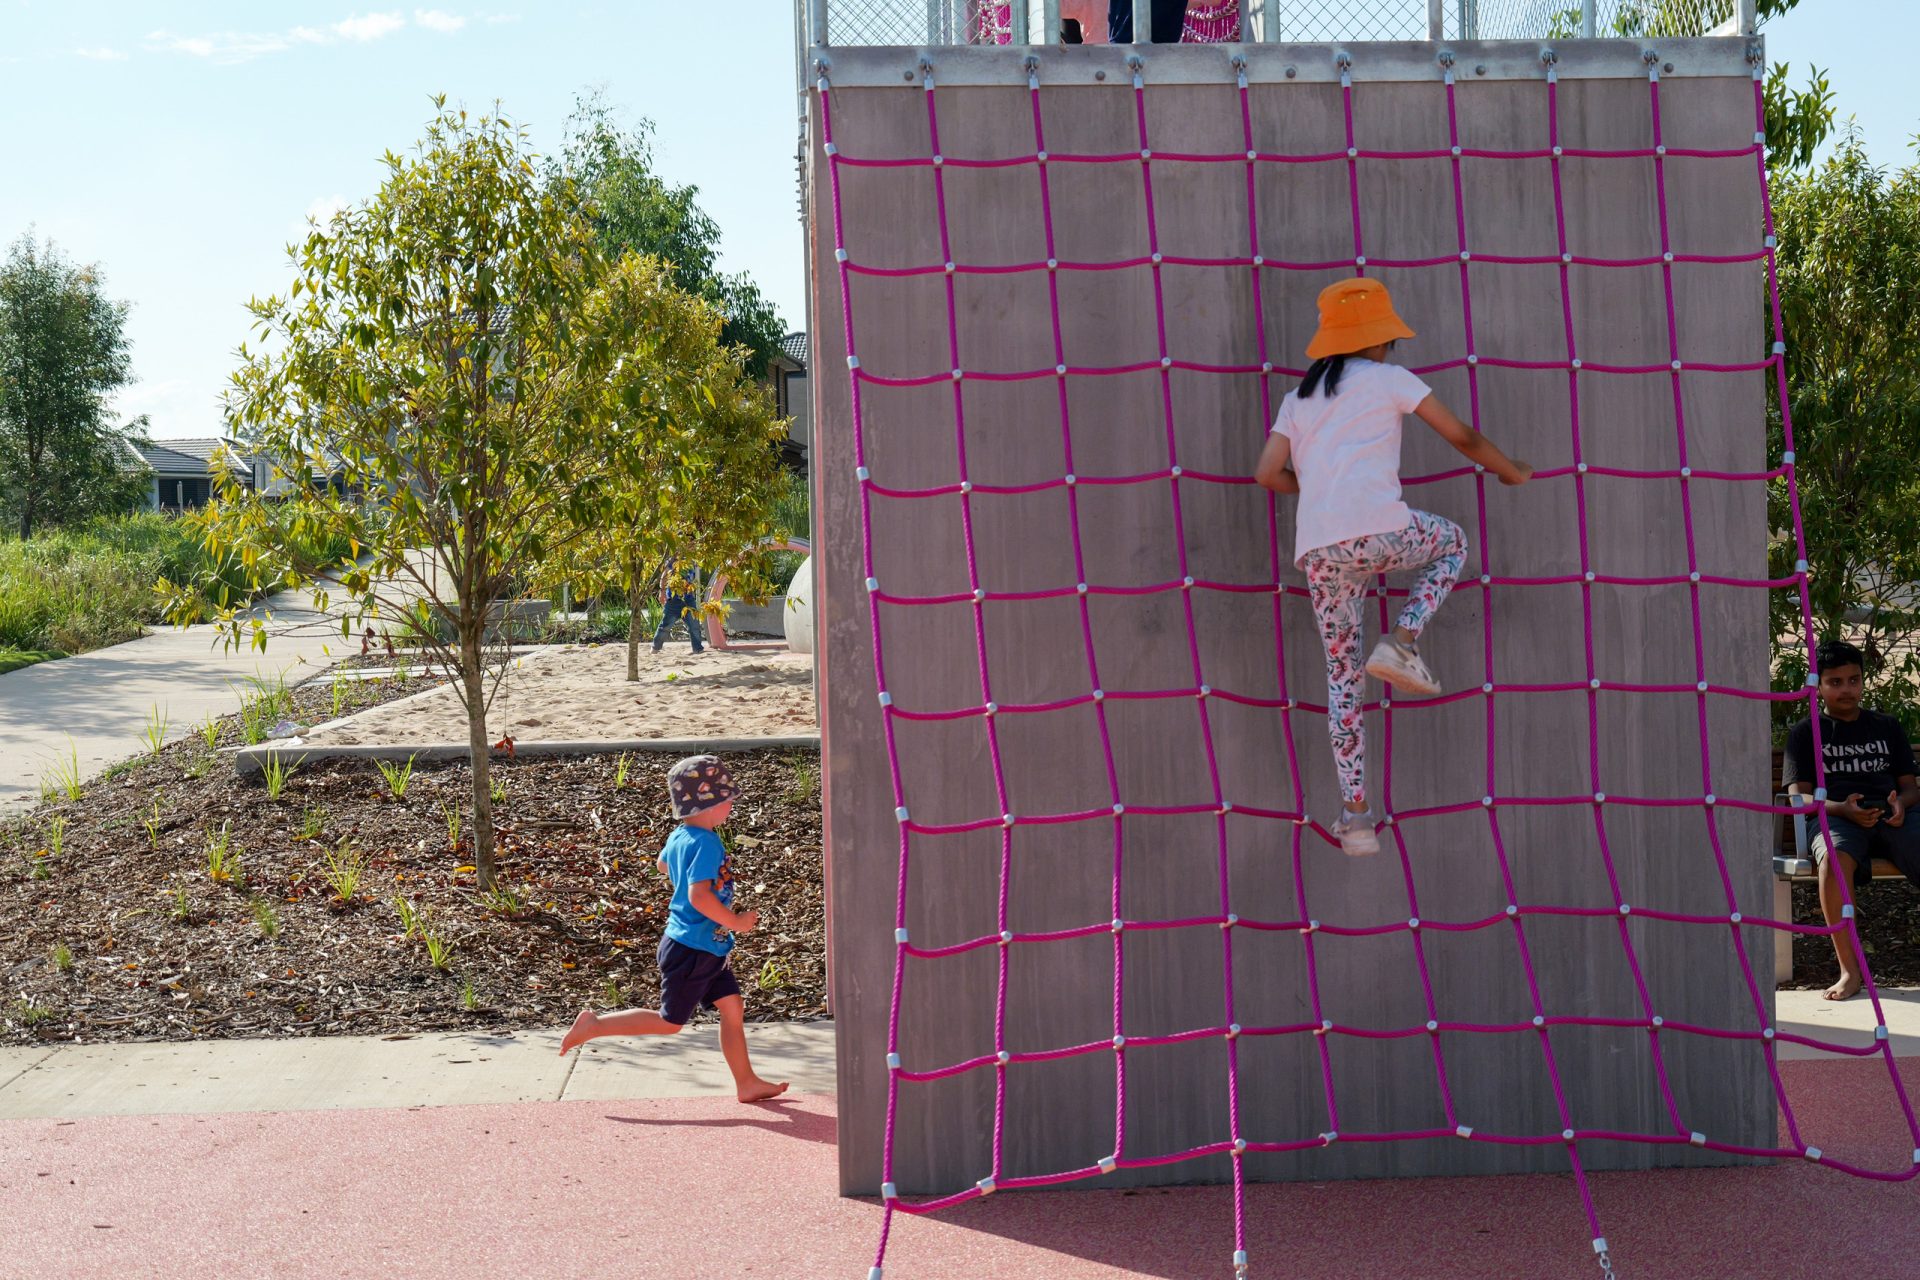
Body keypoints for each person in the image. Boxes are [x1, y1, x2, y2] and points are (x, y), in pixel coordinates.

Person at [1254, 278, 1532, 856]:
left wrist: (1316, 490)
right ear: (1381, 342)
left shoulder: (1298, 399)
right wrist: (1511, 471)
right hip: (1383, 531)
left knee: (1342, 680)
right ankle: (1403, 640)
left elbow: (1266, 473)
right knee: (1452, 543)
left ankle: (1357, 818)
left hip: (1322, 553)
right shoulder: (1391, 379)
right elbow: (1464, 436)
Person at [559, 755, 789, 1103]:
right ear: (710, 804)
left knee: (732, 1008)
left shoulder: (683, 835)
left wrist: (692, 886)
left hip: (702, 947)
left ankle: (746, 1082)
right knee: (670, 1023)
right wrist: (736, 922)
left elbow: (663, 864)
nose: (730, 805)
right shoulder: (707, 843)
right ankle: (595, 1026)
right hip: (693, 949)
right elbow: (699, 898)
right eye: (727, 799)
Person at [1783, 639, 1920, 1001]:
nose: (1846, 689)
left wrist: (1901, 804)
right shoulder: (1805, 731)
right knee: (1833, 860)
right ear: (1819, 685)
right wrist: (1841, 808)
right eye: (1836, 682)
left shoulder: (1886, 726)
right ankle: (1850, 970)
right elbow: (1800, 796)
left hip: (1890, 815)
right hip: (1836, 816)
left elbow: (1910, 787)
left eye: (1853, 680)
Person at [653, 558, 706, 654]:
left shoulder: (693, 560)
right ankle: (655, 647)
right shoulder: (673, 560)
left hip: (689, 600)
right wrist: (662, 591)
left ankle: (697, 649)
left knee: (694, 626)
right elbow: (664, 576)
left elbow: (693, 579)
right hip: (673, 600)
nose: (692, 547)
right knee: (665, 626)